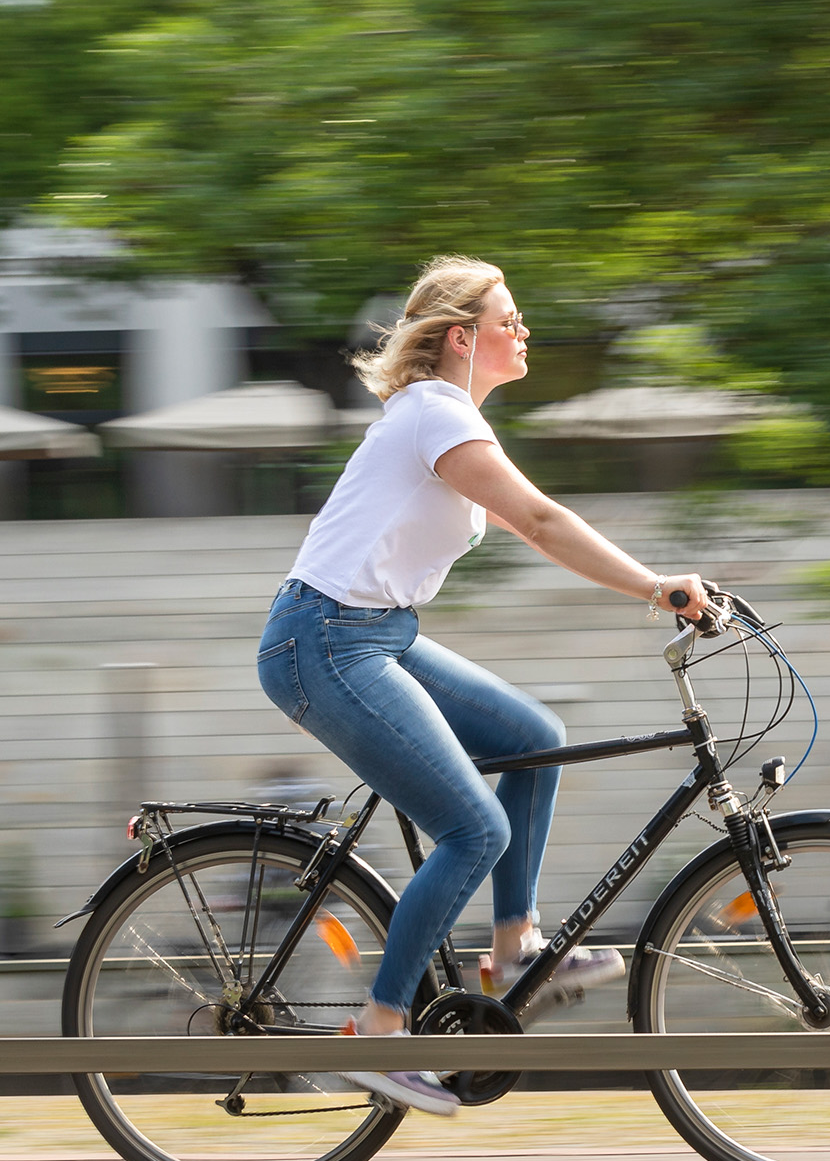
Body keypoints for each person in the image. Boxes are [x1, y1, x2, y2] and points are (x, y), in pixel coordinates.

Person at [256, 255, 710, 1117]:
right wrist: (659, 586)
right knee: (475, 827)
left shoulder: (448, 423)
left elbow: (539, 525)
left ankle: (514, 947)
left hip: (373, 635)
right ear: (464, 339)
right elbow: (541, 519)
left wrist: (651, 584)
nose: (525, 331)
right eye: (512, 319)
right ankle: (380, 1032)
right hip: (324, 641)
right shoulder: (434, 414)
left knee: (533, 737)